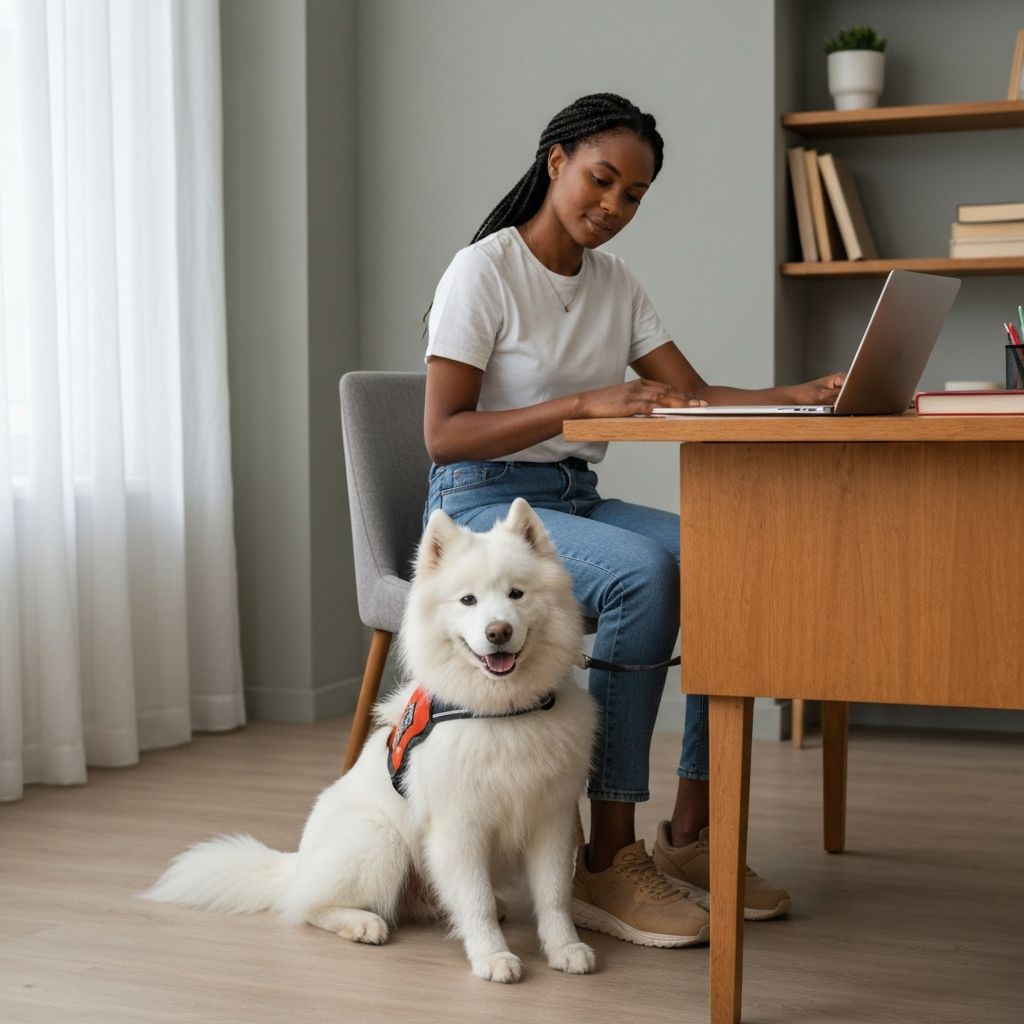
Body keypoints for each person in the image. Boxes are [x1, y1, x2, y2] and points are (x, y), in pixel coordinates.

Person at [421, 92, 844, 948]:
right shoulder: (485, 270)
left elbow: (688, 395)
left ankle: (690, 839)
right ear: (556, 162)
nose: (612, 208)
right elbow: (441, 432)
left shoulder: (616, 283)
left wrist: (796, 397)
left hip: (569, 497)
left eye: (633, 197)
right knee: (644, 573)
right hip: (477, 504)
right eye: (601, 181)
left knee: (726, 558)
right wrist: (580, 402)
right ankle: (606, 858)